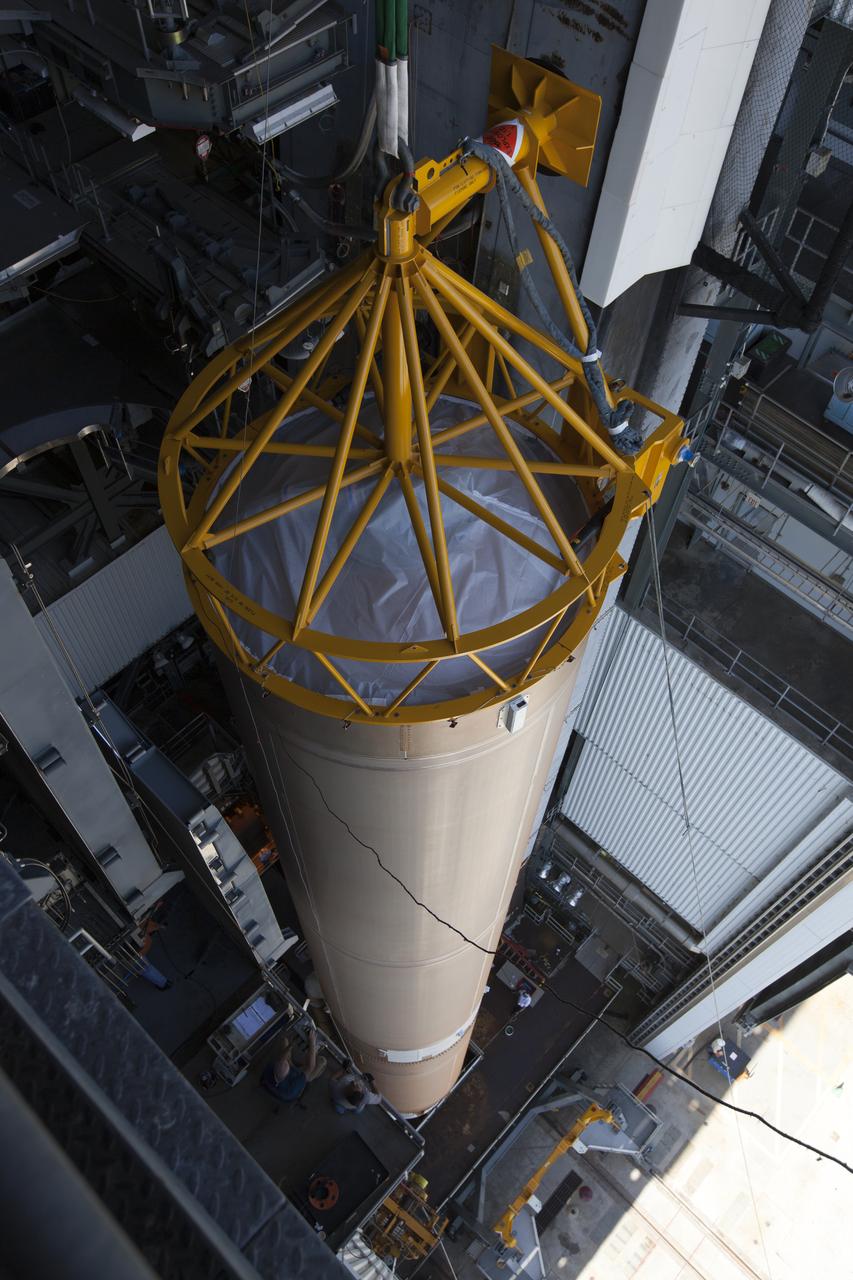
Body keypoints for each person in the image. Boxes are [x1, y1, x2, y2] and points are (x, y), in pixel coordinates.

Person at [262, 1028, 323, 1103]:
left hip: (277, 1081)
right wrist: (312, 1043)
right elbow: (311, 1067)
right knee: (321, 1062)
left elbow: (281, 1058)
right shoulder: (292, 1088)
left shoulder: (270, 1068)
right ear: (288, 1074)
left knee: (284, 1041)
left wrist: (291, 1045)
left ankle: (305, 1057)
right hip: (293, 1087)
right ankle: (314, 1049)